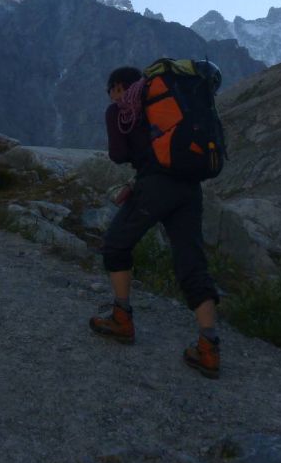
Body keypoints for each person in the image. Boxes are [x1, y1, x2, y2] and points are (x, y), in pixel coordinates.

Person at [88, 65, 222, 378]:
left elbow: (119, 155)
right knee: (192, 262)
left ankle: (121, 318)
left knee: (116, 245)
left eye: (111, 91)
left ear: (119, 86)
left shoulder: (122, 108)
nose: (112, 97)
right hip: (189, 188)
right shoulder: (171, 105)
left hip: (156, 187)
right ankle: (208, 347)